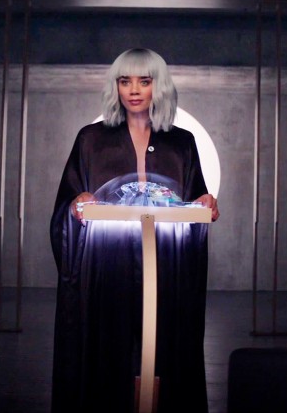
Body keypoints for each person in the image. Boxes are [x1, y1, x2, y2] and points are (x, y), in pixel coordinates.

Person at [50, 48, 219, 413]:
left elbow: (195, 204)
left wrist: (205, 204)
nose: (134, 90)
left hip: (166, 270)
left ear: (159, 86)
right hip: (108, 269)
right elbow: (65, 207)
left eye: (144, 81)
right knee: (110, 348)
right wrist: (77, 204)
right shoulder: (90, 139)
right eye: (125, 81)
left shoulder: (182, 142)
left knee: (163, 349)